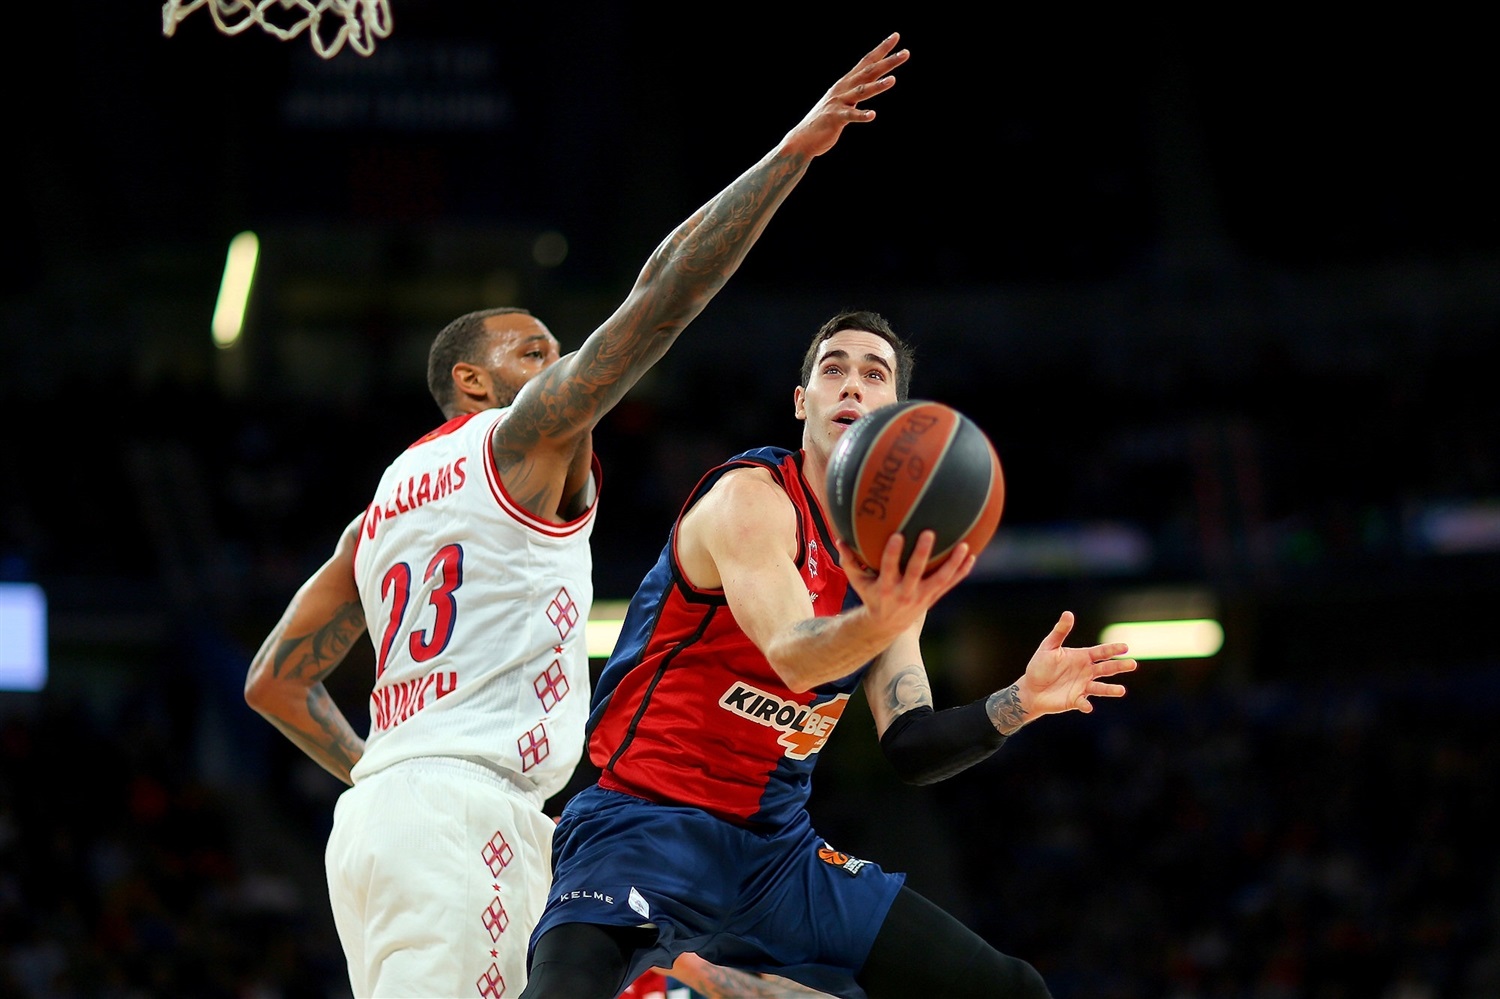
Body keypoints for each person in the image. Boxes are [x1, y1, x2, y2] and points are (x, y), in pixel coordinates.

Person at [241, 36, 911, 999]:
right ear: (471, 381)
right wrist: (790, 156)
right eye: (532, 349)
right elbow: (663, 295)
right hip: (462, 812)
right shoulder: (521, 439)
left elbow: (274, 679)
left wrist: (380, 774)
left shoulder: (383, 504)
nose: (559, 364)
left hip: (402, 818)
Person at [520, 310, 1139, 999]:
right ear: (801, 401)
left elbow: (909, 743)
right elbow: (795, 656)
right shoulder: (750, 501)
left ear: (898, 413)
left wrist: (1018, 702)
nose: (850, 385)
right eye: (832, 369)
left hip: (777, 856)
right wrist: (882, 617)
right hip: (643, 822)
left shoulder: (892, 560)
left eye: (873, 374)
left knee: (1011, 989)